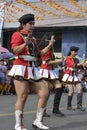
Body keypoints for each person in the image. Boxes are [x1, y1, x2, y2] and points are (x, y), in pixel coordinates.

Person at [8, 14, 55, 130]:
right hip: (21, 67)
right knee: (22, 96)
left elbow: (39, 54)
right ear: (23, 24)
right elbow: (15, 51)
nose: (33, 26)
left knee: (45, 92)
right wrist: (25, 43)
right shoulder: (17, 34)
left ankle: (38, 121)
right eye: (31, 23)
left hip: (33, 69)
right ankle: (18, 124)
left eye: (34, 23)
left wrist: (49, 45)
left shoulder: (33, 38)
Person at [39, 35, 64, 117]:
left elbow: (51, 62)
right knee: (46, 92)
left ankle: (55, 109)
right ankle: (42, 111)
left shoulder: (50, 49)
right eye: (52, 38)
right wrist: (59, 61)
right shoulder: (46, 49)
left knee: (59, 86)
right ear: (48, 40)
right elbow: (47, 62)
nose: (54, 40)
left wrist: (58, 64)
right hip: (45, 70)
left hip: (50, 71)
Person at [62, 46, 85, 111]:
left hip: (75, 75)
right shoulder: (68, 58)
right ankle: (69, 106)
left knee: (80, 88)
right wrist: (81, 63)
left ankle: (79, 105)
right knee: (71, 91)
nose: (75, 53)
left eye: (76, 52)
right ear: (71, 51)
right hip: (69, 75)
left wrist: (84, 64)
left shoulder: (76, 59)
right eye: (74, 51)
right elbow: (73, 65)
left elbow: (79, 68)